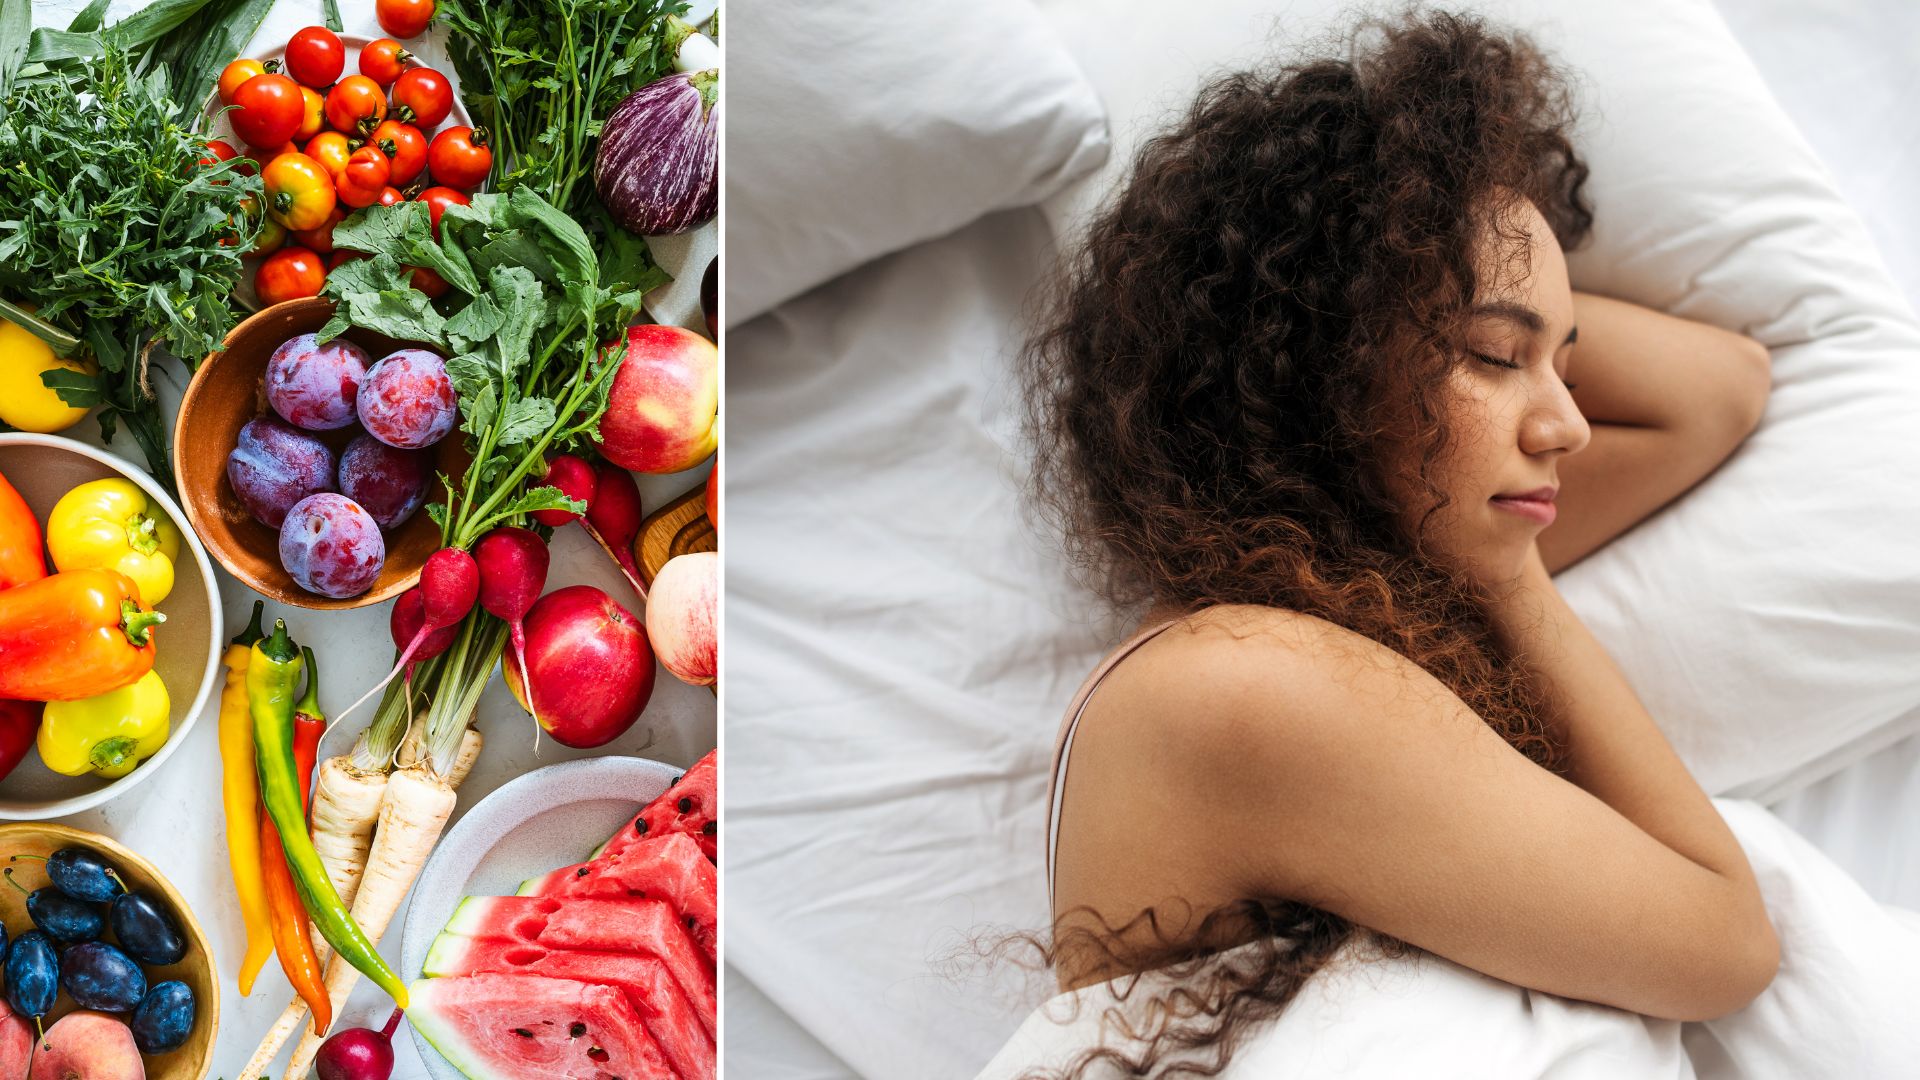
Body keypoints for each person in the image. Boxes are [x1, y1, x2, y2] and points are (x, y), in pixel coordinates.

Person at [1008, 8, 1781, 1076]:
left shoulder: (1387, 584)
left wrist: (1502, 307)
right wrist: (1516, 583)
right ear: (1317, 369)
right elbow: (1729, 944)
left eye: (1567, 362)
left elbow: (1721, 391)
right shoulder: (1241, 683)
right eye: (1494, 356)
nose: (1568, 424)